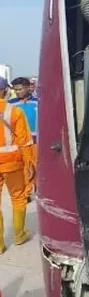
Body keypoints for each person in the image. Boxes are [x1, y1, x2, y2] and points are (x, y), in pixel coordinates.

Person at [0, 76, 35, 253]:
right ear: (5, 90)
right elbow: (25, 142)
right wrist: (29, 165)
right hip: (12, 162)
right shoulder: (14, 112)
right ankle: (19, 235)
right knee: (18, 197)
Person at [10, 77, 38, 198]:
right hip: (20, 143)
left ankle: (38, 190)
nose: (17, 92)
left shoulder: (38, 102)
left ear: (28, 88)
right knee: (24, 169)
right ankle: (26, 193)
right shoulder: (11, 105)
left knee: (37, 166)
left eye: (20, 89)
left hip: (36, 141)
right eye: (15, 90)